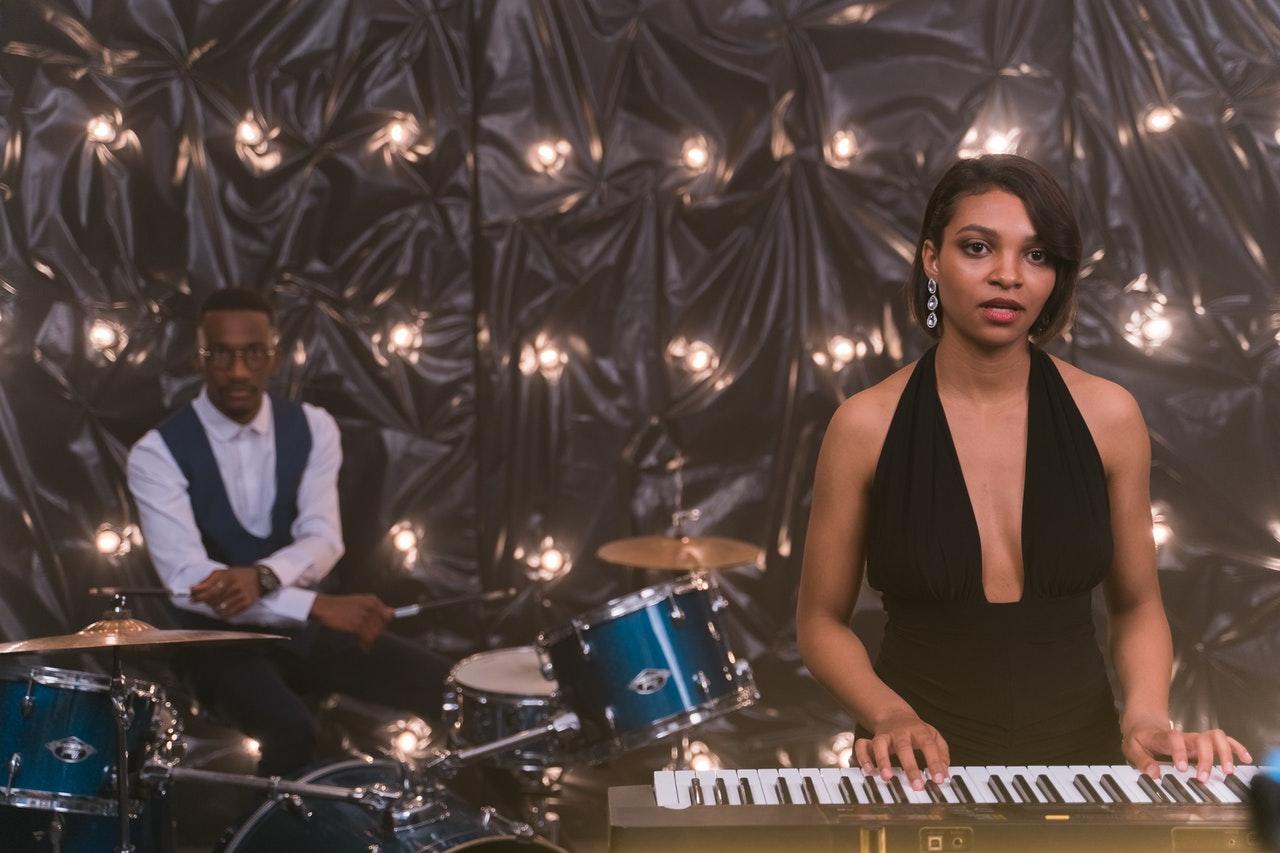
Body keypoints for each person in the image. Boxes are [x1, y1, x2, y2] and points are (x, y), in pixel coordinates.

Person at [795, 155, 1251, 793]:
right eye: (978, 248)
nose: (1008, 275)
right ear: (932, 258)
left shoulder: (1108, 415)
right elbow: (819, 621)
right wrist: (889, 714)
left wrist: (1146, 716)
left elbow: (1139, 604)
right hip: (916, 775)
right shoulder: (864, 425)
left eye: (1037, 256)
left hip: (1084, 771)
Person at [127, 287, 451, 777]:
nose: (238, 371)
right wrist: (315, 603)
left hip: (302, 631)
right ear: (200, 358)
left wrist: (263, 577)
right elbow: (189, 581)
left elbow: (324, 538)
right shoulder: (156, 453)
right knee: (291, 731)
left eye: (253, 353)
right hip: (214, 641)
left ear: (274, 358)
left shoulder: (315, 427)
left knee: (447, 687)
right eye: (222, 355)